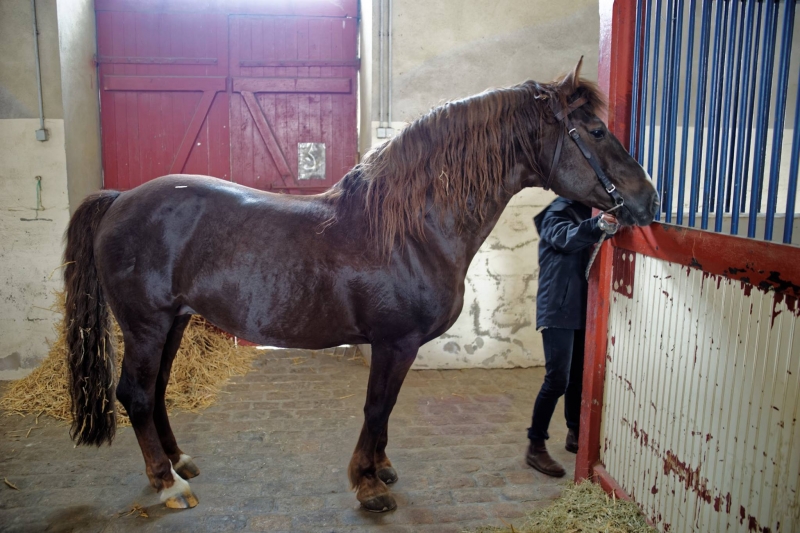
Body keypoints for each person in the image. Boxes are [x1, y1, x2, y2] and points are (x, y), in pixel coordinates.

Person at [526, 197, 618, 477]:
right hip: (557, 308)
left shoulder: (587, 209)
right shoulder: (557, 213)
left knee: (578, 375)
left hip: (581, 307)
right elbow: (565, 238)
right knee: (557, 380)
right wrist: (598, 224)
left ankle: (574, 431)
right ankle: (535, 445)